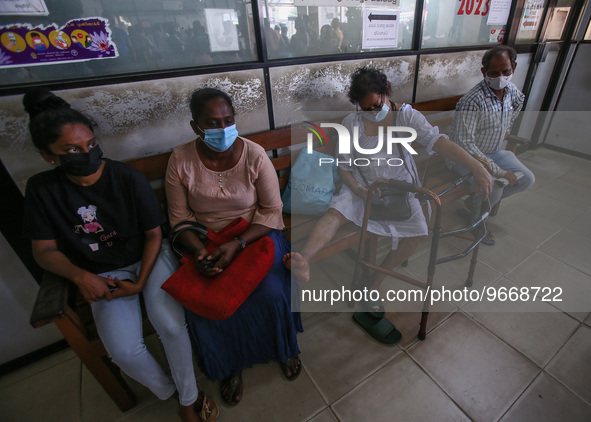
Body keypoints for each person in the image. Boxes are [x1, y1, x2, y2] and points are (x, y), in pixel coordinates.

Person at [21, 89, 218, 422]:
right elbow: (44, 250)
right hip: (100, 273)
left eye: (91, 145)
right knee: (124, 351)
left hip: (149, 258)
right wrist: (81, 277)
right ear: (48, 156)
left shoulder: (126, 178)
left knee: (169, 324)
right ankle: (169, 390)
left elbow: (154, 234)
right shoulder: (43, 190)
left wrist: (141, 281)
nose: (86, 154)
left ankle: (189, 398)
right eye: (72, 150)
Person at [284, 67, 492, 341]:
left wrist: (475, 166)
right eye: (365, 108)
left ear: (387, 94)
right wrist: (359, 190)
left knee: (418, 232)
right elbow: (345, 167)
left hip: (399, 187)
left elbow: (438, 142)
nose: (372, 112)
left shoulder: (406, 116)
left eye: (377, 105)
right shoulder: (352, 123)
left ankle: (373, 283)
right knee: (336, 212)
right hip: (361, 186)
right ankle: (304, 261)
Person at [165, 88, 302, 406]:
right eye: (212, 122)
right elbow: (180, 219)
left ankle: (283, 349)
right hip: (208, 241)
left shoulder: (254, 155)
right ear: (195, 126)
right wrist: (199, 252)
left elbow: (271, 211)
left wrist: (238, 243)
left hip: (256, 237)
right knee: (209, 303)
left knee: (270, 292)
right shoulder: (181, 160)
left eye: (228, 120)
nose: (222, 128)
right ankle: (232, 364)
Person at [450, 46, 535, 245]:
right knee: (493, 186)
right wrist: (499, 171)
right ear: (484, 72)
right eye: (494, 73)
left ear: (513, 67)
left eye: (505, 71)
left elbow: (520, 101)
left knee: (527, 179)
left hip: (494, 152)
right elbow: (465, 144)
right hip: (463, 157)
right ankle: (477, 222)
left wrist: (507, 125)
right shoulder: (473, 100)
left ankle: (475, 205)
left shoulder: (510, 90)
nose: (500, 77)